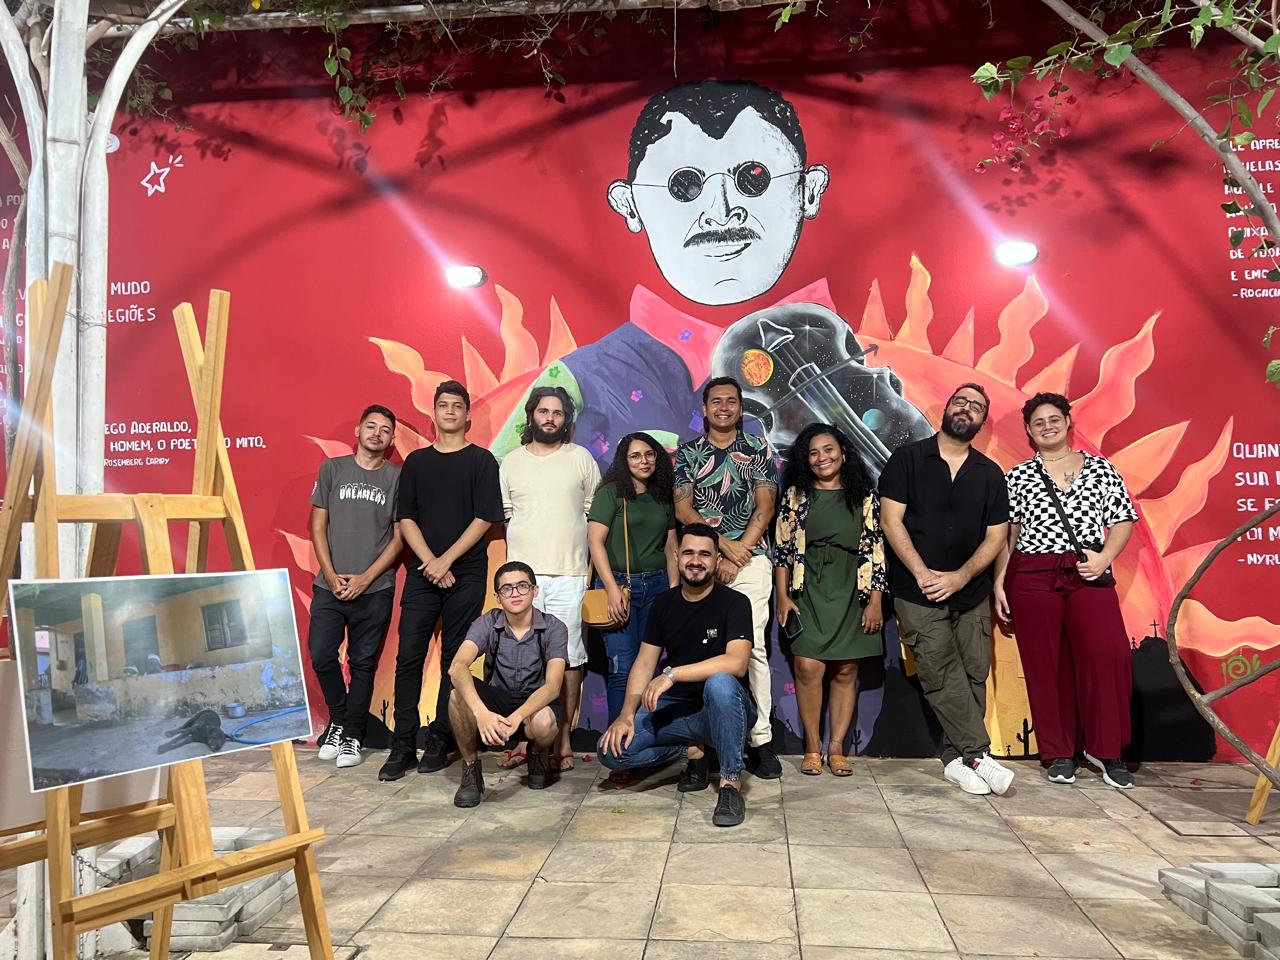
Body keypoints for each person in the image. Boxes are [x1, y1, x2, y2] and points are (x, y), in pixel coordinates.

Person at [994, 393, 1140, 789]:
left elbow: (1123, 519)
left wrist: (1104, 557)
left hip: (1087, 571)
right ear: (1029, 430)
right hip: (1032, 572)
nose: (1047, 427)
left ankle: (1107, 750)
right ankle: (1059, 751)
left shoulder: (1101, 468)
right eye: (1038, 422)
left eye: (1054, 419)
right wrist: (999, 582)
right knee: (1045, 663)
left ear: (1068, 422)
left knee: (1107, 656)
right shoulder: (1018, 475)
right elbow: (1009, 535)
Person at [878, 383, 1015, 796]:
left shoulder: (990, 473)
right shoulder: (908, 459)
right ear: (948, 408)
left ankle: (957, 761)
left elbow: (996, 537)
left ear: (982, 421)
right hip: (916, 589)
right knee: (939, 670)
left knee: (973, 672)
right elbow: (890, 521)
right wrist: (922, 573)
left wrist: (960, 577)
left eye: (976, 406)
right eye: (961, 401)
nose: (966, 409)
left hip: (971, 592)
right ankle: (978, 753)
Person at [379, 380, 504, 782]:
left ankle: (440, 737)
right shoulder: (417, 462)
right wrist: (430, 561)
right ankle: (402, 743)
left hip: (466, 573)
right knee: (409, 656)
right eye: (443, 405)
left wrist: (446, 559)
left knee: (455, 660)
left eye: (457, 406)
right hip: (422, 573)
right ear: (433, 414)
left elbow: (484, 518)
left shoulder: (482, 461)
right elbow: (406, 518)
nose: (450, 411)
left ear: (467, 416)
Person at [598, 523, 756, 827]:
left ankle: (730, 785)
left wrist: (672, 674)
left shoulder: (735, 603)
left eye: (704, 554)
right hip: (677, 713)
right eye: (688, 553)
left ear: (717, 560)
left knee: (720, 682)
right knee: (610, 752)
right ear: (676, 556)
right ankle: (693, 751)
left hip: (725, 711)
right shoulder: (664, 604)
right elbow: (645, 663)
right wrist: (626, 715)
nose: (695, 561)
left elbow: (736, 663)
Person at [673, 376, 781, 779]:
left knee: (753, 650)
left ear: (740, 408)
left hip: (751, 561)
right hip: (702, 561)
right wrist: (720, 547)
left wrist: (740, 553)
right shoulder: (688, 453)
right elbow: (684, 510)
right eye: (716, 401)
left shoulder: (757, 448)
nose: (723, 407)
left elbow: (765, 506)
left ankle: (761, 741)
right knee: (700, 652)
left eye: (731, 401)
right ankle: (702, 750)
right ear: (704, 409)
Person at [498, 386, 600, 771]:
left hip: (570, 576)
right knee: (521, 658)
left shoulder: (581, 459)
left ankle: (563, 738)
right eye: (544, 411)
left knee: (569, 659)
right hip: (521, 581)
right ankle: (524, 738)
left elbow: (593, 516)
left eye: (558, 413)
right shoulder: (511, 462)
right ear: (532, 415)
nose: (550, 418)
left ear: (566, 420)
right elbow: (508, 518)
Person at [774, 423, 885, 776]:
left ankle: (836, 747)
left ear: (843, 453)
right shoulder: (795, 496)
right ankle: (812, 746)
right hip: (808, 589)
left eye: (828, 449)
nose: (822, 458)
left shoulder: (864, 496)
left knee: (847, 669)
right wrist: (782, 596)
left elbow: (876, 551)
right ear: (805, 460)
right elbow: (782, 551)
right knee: (808, 667)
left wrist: (875, 601)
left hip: (852, 589)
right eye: (813, 453)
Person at [307, 404, 403, 769]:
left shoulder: (396, 478)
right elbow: (318, 526)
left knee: (363, 662)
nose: (377, 433)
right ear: (358, 431)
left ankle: (352, 735)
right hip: (329, 585)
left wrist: (366, 578)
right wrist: (331, 575)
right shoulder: (332, 469)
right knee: (321, 654)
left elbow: (399, 537)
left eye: (385, 430)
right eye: (371, 426)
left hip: (374, 588)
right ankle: (339, 719)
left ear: (391, 439)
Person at [447, 562, 568, 807]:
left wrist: (518, 717)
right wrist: (481, 713)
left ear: (534, 590)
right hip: (498, 698)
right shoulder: (487, 623)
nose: (515, 593)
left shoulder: (554, 627)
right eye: (507, 588)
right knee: (456, 696)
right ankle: (470, 769)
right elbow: (457, 667)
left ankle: (538, 754)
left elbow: (553, 687)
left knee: (544, 722)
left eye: (522, 586)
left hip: (534, 703)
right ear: (498, 597)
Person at [587, 432, 679, 725]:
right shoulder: (611, 493)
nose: (644, 461)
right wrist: (612, 589)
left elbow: (671, 549)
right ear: (624, 461)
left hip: (657, 587)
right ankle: (617, 742)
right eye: (635, 456)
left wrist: (673, 592)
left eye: (649, 454)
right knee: (623, 667)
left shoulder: (663, 495)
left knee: (650, 667)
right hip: (618, 585)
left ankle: (643, 737)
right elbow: (595, 543)